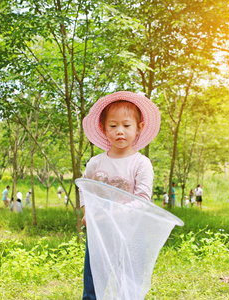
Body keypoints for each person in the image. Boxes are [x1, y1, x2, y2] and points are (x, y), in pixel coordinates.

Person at [80, 91, 160, 300]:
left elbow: (142, 199)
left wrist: (111, 213)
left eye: (126, 125)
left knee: (129, 285)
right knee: (93, 283)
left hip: (131, 235)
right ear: (103, 129)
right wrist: (87, 211)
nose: (120, 131)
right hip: (100, 236)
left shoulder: (140, 163)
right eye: (113, 126)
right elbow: (85, 187)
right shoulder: (96, 163)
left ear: (139, 127)